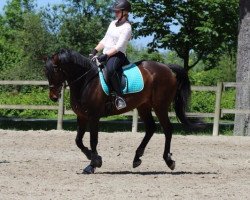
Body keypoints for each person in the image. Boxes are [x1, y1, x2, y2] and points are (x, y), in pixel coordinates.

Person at [89, 0, 132, 110]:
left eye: (117, 11)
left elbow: (119, 46)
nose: (115, 13)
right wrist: (95, 50)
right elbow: (105, 40)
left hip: (117, 55)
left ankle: (120, 97)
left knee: (111, 70)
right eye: (115, 11)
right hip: (106, 54)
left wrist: (106, 55)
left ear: (125, 12)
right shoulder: (113, 23)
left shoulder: (127, 27)